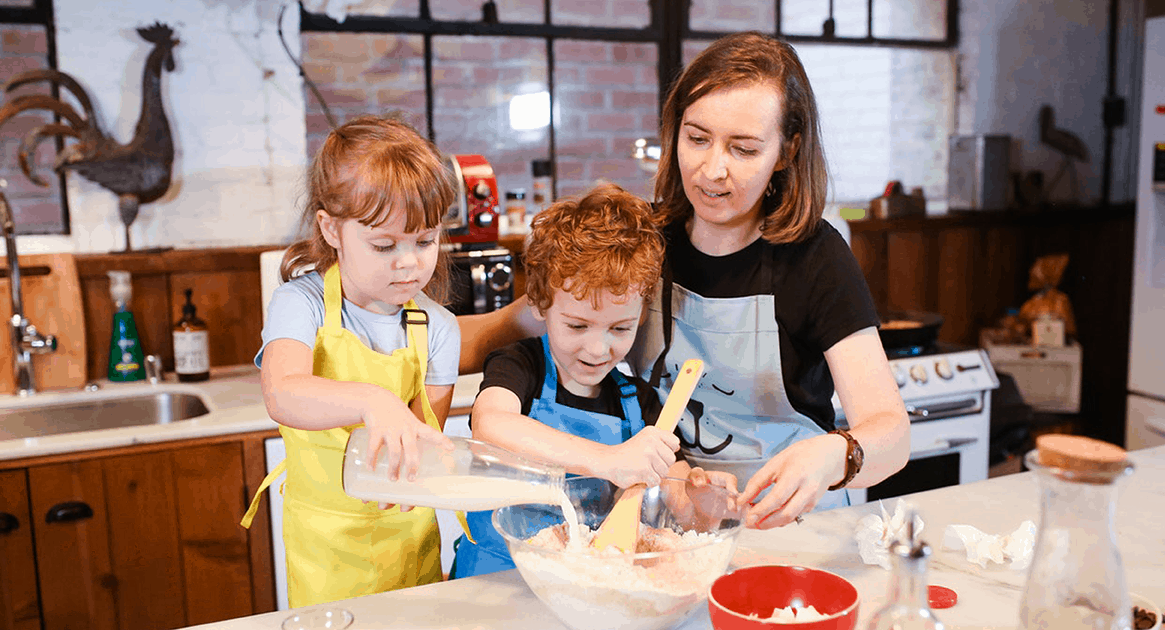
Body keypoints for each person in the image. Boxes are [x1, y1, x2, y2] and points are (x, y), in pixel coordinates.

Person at [459, 32, 910, 531]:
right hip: (671, 527)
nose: (712, 170)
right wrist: (389, 349)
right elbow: (502, 329)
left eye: (743, 149)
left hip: (791, 529)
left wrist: (833, 454)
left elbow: (892, 434)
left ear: (786, 151)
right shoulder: (642, 242)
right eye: (696, 139)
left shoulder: (815, 258)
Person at [450, 183, 736, 578]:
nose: (598, 348)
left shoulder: (641, 402)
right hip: (496, 580)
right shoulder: (521, 366)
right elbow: (492, 424)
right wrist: (610, 461)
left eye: (619, 328)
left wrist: (704, 505)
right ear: (539, 304)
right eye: (577, 325)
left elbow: (680, 504)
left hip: (591, 582)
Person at [240, 115, 461, 606]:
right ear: (331, 229)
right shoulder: (302, 304)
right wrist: (373, 401)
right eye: (384, 245)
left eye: (425, 241)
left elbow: (421, 446)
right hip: (326, 547)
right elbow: (283, 392)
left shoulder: (440, 328)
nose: (409, 262)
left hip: (408, 537)